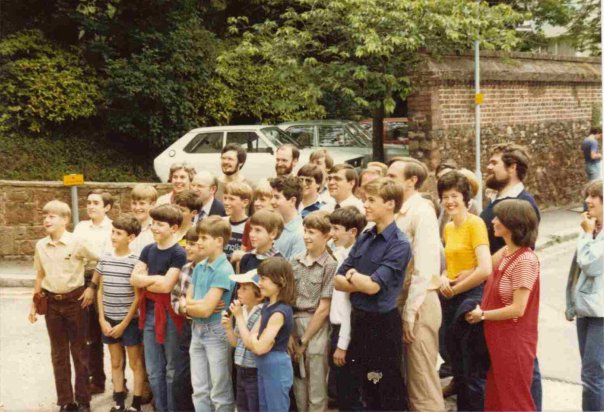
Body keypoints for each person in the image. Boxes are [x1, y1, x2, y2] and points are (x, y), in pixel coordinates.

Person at [334, 178, 412, 411]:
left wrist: (353, 278)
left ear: (389, 204)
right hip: (360, 321)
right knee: (365, 388)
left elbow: (373, 287)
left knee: (385, 387)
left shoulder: (399, 244)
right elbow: (338, 280)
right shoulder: (366, 236)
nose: (365, 204)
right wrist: (356, 278)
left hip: (382, 326)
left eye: (371, 200)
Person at [480, 143, 543, 409]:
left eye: (495, 163)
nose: (489, 167)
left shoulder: (521, 205)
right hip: (498, 328)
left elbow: (518, 307)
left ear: (513, 168)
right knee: (500, 391)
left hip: (512, 332)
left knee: (519, 385)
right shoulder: (499, 201)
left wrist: (482, 314)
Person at [466, 199, 540, 412]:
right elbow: (484, 268)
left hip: (513, 342)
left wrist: (483, 315)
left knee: (515, 401)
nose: (493, 220)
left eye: (499, 218)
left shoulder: (525, 260)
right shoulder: (507, 253)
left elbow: (518, 308)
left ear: (512, 224)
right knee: (497, 398)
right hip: (498, 339)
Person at [28, 200, 99, 412]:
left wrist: (92, 287)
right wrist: (34, 305)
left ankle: (83, 400)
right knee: (58, 354)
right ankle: (66, 401)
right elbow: (39, 274)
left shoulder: (77, 242)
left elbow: (101, 262)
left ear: (65, 220)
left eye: (52, 216)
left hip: (75, 302)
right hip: (52, 304)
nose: (46, 219)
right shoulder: (41, 245)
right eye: (45, 215)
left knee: (80, 352)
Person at [387, 158, 445, 412]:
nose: (387, 182)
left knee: (422, 384)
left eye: (392, 177)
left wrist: (410, 313)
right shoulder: (401, 211)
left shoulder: (421, 212)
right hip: (405, 301)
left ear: (412, 181)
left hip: (419, 303)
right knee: (409, 382)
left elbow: (424, 267)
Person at [438, 171, 492, 411]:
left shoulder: (475, 223)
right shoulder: (448, 228)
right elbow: (449, 265)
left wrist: (456, 287)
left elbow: (484, 269)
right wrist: (442, 278)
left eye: (455, 196)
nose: (450, 201)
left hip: (469, 298)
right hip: (451, 297)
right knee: (458, 367)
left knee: (471, 371)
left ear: (466, 199)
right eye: (445, 196)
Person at [130, 204, 188, 412]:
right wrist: (155, 278)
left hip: (170, 315)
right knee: (154, 370)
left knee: (172, 369)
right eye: (153, 223)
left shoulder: (179, 253)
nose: (154, 228)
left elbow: (166, 286)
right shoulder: (148, 250)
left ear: (174, 228)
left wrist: (147, 280)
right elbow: (134, 279)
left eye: (160, 224)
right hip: (150, 311)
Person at [231, 257, 295, 412]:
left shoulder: (280, 311)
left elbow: (259, 347)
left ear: (280, 281)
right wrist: (255, 339)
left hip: (276, 366)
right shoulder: (267, 307)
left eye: (264, 279)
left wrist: (254, 338)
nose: (259, 283)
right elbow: (249, 342)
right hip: (263, 366)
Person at [186, 216, 236, 411]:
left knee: (219, 391)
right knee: (199, 388)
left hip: (216, 332)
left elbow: (207, 310)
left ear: (219, 241)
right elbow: (187, 301)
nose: (199, 242)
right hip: (196, 330)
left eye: (204, 238)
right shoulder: (199, 266)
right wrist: (190, 306)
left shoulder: (223, 269)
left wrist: (190, 306)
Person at [289, 211, 338, 412]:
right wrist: (292, 335)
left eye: (313, 233)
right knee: (299, 384)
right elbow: (288, 297)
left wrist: (304, 340)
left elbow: (324, 307)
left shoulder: (330, 264)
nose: (306, 236)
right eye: (306, 231)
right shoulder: (295, 261)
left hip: (315, 325)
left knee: (316, 384)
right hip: (294, 322)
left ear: (326, 236)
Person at [96, 215, 145, 412]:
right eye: (113, 232)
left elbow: (137, 297)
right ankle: (118, 401)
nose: (113, 236)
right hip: (108, 319)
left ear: (131, 237)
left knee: (135, 362)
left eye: (118, 233)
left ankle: (136, 404)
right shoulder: (105, 258)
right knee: (115, 362)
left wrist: (124, 323)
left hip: (129, 321)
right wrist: (101, 318)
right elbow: (100, 289)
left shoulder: (135, 262)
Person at [565, 179, 604, 411]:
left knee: (592, 376)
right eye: (587, 196)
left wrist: (586, 234)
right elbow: (576, 273)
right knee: (591, 374)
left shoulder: (591, 232)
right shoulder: (594, 229)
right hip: (587, 309)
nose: (587, 201)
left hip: (601, 313)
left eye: (593, 197)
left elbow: (590, 264)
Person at [73, 189, 114, 395]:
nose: (90, 206)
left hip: (103, 280)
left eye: (96, 203)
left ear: (107, 207)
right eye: (88, 202)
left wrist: (93, 286)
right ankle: (95, 379)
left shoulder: (112, 228)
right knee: (88, 333)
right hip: (81, 277)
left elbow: (106, 259)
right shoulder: (81, 227)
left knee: (107, 331)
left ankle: (118, 381)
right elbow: (74, 252)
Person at [327, 206, 367, 411]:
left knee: (349, 393)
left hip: (346, 333)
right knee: (341, 392)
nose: (331, 233)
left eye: (336, 228)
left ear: (352, 232)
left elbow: (349, 305)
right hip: (336, 329)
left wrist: (342, 343)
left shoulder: (354, 261)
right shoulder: (340, 254)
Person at [170, 226, 207, 412]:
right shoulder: (185, 269)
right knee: (180, 378)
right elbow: (176, 299)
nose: (189, 248)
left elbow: (210, 306)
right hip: (188, 326)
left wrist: (189, 305)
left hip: (208, 328)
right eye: (187, 244)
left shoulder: (212, 270)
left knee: (204, 381)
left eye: (194, 244)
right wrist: (185, 307)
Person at [222, 270, 266, 412]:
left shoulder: (262, 313)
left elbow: (252, 343)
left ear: (259, 295)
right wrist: (229, 328)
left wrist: (239, 316)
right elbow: (236, 343)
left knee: (254, 406)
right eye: (239, 287)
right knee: (242, 406)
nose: (239, 291)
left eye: (245, 288)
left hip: (254, 369)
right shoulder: (243, 310)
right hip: (240, 368)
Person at [270, 175, 306, 260]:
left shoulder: (300, 234)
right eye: (272, 197)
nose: (271, 201)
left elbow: (293, 270)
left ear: (292, 201)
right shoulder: (272, 225)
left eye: (277, 197)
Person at [240, 209, 284, 274]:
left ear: (273, 234)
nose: (251, 234)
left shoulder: (279, 264)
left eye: (258, 230)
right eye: (251, 229)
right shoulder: (246, 258)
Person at [222, 181, 252, 261]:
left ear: (245, 202)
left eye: (231, 199)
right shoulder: (221, 222)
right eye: (225, 198)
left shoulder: (250, 226)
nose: (226, 202)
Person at [129, 184, 158, 257]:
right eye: (134, 203)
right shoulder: (126, 227)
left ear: (153, 204)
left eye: (142, 203)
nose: (137, 207)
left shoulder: (157, 230)